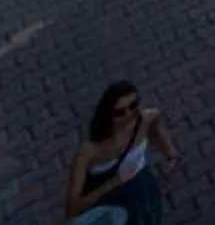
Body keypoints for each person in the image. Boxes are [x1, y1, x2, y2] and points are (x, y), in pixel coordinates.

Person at [61, 79, 178, 223]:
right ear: (108, 114)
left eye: (133, 105)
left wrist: (171, 155)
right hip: (108, 207)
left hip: (143, 194)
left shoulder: (146, 119)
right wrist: (113, 183)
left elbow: (156, 133)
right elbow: (72, 208)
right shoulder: (89, 151)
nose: (129, 114)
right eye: (120, 112)